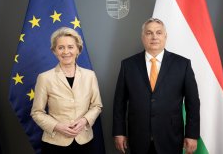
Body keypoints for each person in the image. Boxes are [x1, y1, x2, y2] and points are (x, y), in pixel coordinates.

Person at [112, 18, 200, 154]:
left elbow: (193, 103)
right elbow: (119, 103)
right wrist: (119, 132)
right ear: (142, 37)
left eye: (159, 33)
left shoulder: (182, 65)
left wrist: (192, 134)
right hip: (138, 137)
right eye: (149, 33)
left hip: (170, 137)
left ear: (165, 36)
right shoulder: (128, 65)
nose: (154, 37)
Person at [31, 27, 103, 154]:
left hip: (84, 141)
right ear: (54, 51)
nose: (66, 52)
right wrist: (57, 126)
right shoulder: (45, 78)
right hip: (54, 144)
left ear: (78, 50)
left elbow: (97, 106)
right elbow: (37, 112)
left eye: (70, 47)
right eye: (61, 47)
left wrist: (85, 120)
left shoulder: (90, 75)